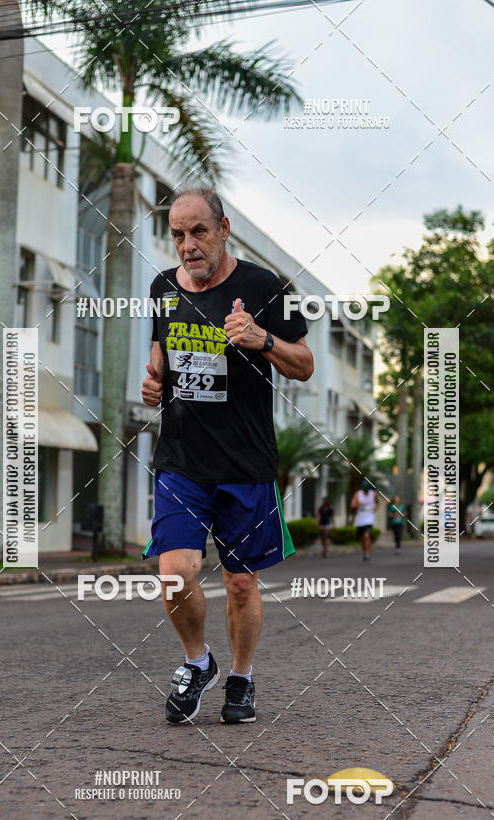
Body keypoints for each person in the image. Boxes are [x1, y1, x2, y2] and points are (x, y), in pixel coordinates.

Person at [141, 186, 313, 726]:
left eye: (197, 232)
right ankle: (198, 663)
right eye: (177, 235)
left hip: (245, 464)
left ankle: (240, 678)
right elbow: (160, 351)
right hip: (182, 461)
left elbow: (304, 364)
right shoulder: (163, 288)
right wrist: (154, 382)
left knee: (240, 581)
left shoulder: (266, 287)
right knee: (175, 573)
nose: (187, 245)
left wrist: (262, 339)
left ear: (223, 229)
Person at [350, 479, 379, 561]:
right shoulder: (358, 494)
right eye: (364, 489)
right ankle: (365, 552)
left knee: (367, 536)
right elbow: (352, 505)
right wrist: (358, 504)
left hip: (369, 518)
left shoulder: (373, 494)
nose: (366, 491)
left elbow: (377, 503)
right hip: (361, 519)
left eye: (367, 489)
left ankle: (367, 554)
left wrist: (375, 508)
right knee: (362, 538)